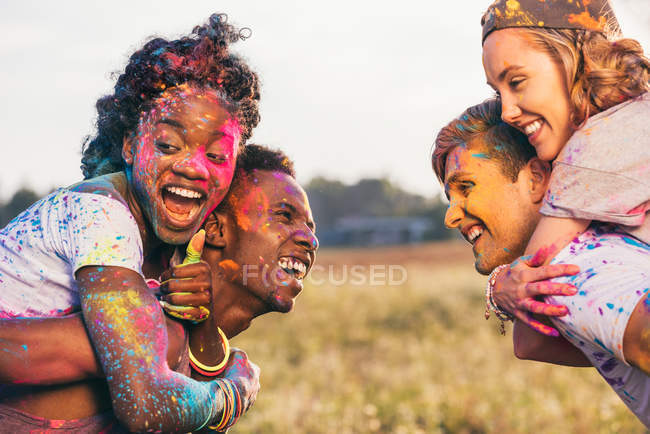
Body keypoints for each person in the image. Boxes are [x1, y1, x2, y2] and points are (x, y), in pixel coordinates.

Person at [0, 13, 262, 432]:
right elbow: (148, 405)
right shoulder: (102, 216)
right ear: (128, 144)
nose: (195, 167)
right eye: (168, 144)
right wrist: (235, 392)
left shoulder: (169, 244)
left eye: (216, 156)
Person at [0, 144, 318, 432]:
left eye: (310, 226)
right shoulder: (138, 316)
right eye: (284, 216)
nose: (310, 239)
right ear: (216, 229)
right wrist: (230, 396)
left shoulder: (193, 344)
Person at [432, 98, 650, 426]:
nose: (451, 215)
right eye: (451, 197)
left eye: (466, 187)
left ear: (535, 179)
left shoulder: (573, 277)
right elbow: (529, 344)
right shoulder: (606, 242)